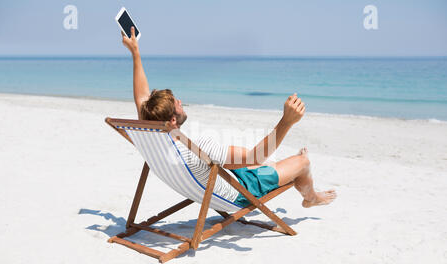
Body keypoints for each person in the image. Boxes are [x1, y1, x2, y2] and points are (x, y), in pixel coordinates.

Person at [121, 27, 337, 208]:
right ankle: (311, 197)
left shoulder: (150, 133)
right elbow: (255, 156)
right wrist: (286, 121)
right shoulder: (196, 148)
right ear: (173, 121)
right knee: (303, 162)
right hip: (240, 193)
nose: (180, 102)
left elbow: (142, 97)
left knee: (254, 163)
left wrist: (135, 52)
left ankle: (285, 166)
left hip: (219, 179)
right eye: (176, 103)